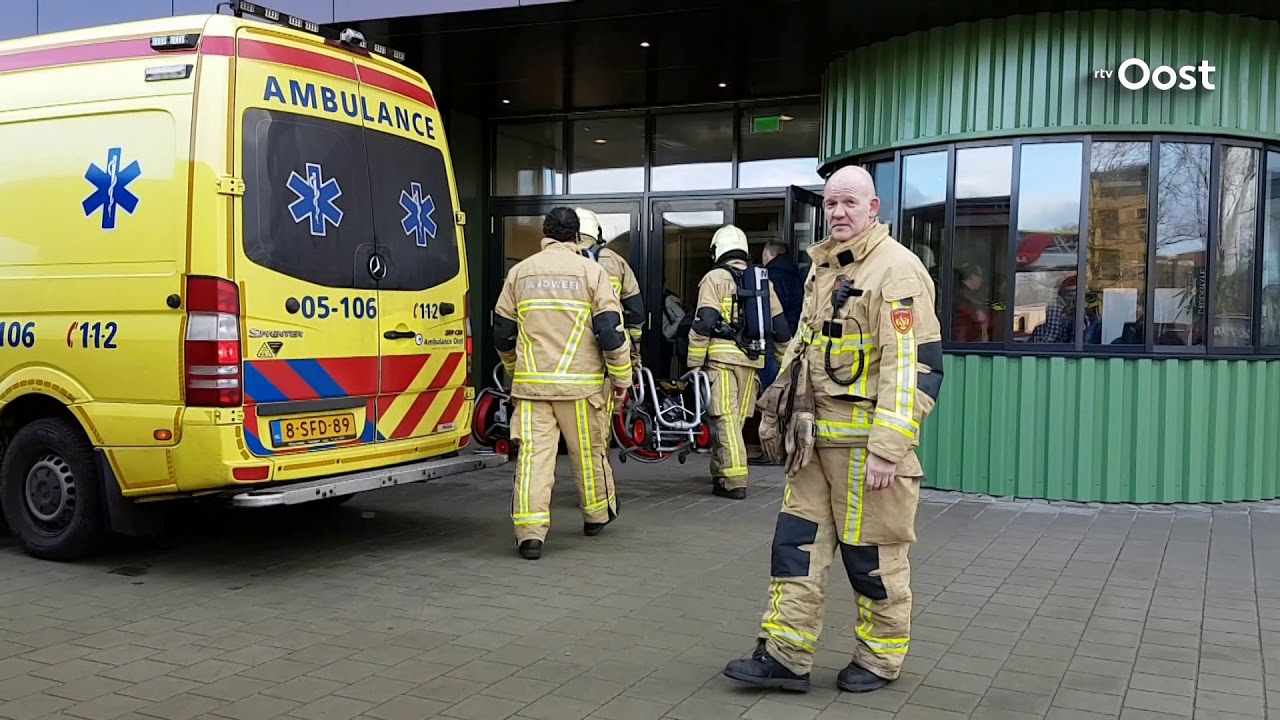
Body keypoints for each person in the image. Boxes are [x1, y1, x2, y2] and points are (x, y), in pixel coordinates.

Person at [722, 165, 944, 694]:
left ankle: (880, 659)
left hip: (868, 454)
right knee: (796, 547)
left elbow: (912, 367)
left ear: (874, 209)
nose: (839, 212)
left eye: (850, 202)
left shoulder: (897, 271)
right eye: (831, 203)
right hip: (813, 445)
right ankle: (784, 655)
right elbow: (804, 346)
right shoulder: (825, 268)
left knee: (873, 559)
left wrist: (889, 450)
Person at [492, 207, 633, 560]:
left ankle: (529, 534)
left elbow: (503, 332)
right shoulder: (592, 272)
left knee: (534, 460)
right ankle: (596, 515)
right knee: (588, 454)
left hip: (532, 390)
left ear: (546, 233)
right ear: (576, 237)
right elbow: (610, 333)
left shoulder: (519, 273)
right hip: (581, 389)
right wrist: (621, 378)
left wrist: (513, 368)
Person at [686, 225, 792, 500]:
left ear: (717, 250)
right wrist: (785, 364)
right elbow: (780, 327)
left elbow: (704, 322)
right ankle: (721, 472)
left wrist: (694, 363)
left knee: (725, 419)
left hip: (721, 361)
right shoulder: (761, 281)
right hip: (752, 360)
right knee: (737, 420)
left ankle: (734, 480)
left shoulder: (715, 278)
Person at [574, 207, 645, 516]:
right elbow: (636, 313)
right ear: (597, 233)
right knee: (598, 427)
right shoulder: (616, 262)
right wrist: (633, 352)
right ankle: (598, 493)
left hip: (567, 359)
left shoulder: (559, 262)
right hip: (608, 356)